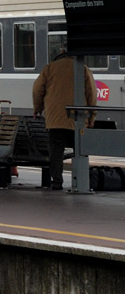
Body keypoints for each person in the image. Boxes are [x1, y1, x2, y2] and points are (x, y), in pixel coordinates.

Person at [32, 51, 97, 190]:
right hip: (77, 118)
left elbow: (37, 90)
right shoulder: (83, 68)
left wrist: (38, 108)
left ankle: (56, 182)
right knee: (80, 151)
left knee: (56, 151)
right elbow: (91, 92)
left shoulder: (50, 68)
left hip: (55, 119)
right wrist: (92, 117)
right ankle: (81, 182)